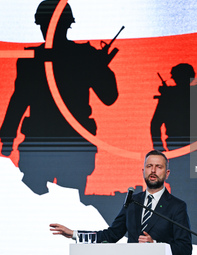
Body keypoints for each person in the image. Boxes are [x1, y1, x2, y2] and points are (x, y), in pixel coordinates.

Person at [0, 0, 118, 204]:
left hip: (44, 145)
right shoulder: (84, 56)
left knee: (38, 205)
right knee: (67, 207)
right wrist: (100, 66)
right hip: (71, 144)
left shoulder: (32, 59)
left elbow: (18, 102)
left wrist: (8, 139)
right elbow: (109, 97)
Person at [50, 150, 192, 255]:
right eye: (149, 166)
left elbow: (185, 248)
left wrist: (155, 245)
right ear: (143, 171)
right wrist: (74, 234)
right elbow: (111, 235)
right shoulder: (133, 202)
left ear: (167, 173)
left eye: (158, 167)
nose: (153, 171)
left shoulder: (176, 206)